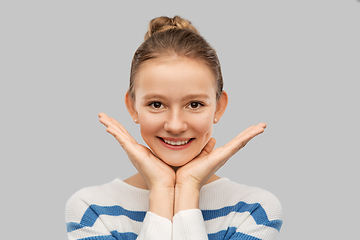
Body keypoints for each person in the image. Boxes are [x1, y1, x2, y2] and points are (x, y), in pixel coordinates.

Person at [65, 16, 283, 240]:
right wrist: (161, 191)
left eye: (194, 104)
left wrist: (188, 189)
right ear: (132, 107)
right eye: (156, 104)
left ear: (219, 107)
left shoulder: (255, 211)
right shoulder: (91, 210)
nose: (175, 125)